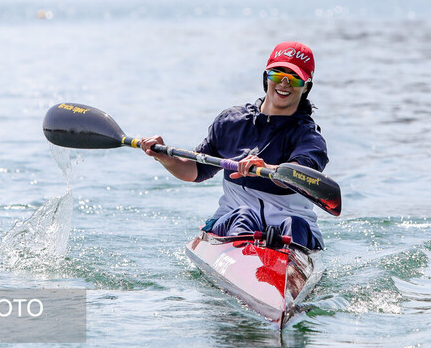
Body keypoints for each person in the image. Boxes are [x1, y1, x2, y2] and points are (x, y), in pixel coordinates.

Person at [140, 41, 328, 251]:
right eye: (276, 74)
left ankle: (283, 272)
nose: (284, 83)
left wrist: (269, 169)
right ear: (266, 78)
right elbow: (196, 171)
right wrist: (166, 158)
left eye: (293, 78)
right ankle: (242, 265)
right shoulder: (232, 123)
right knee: (243, 215)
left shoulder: (308, 137)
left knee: (296, 225)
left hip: (288, 233)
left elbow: (300, 174)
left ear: (306, 86)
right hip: (234, 224)